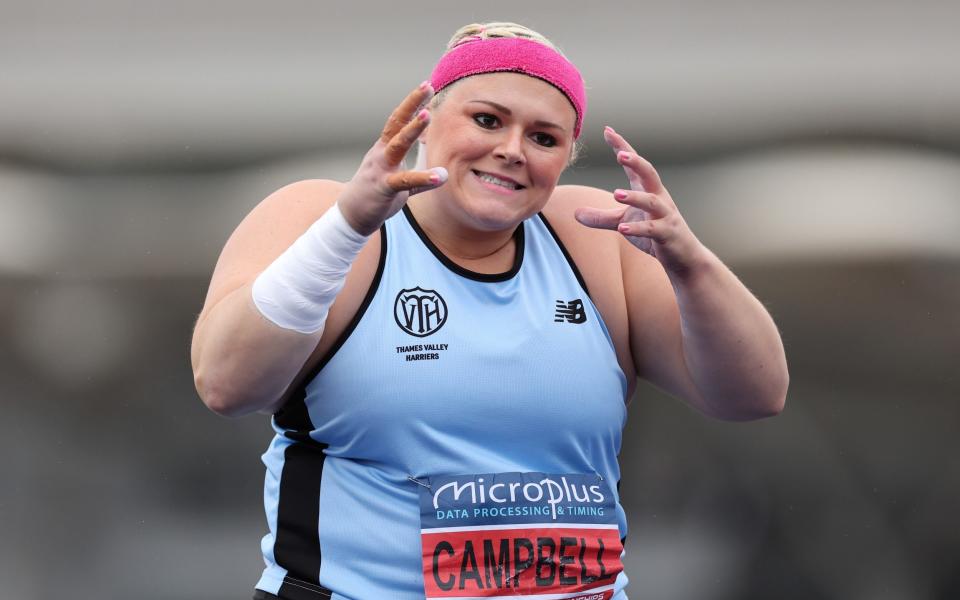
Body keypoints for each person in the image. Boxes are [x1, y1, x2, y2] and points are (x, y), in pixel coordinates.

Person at [190, 22, 788, 600]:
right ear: (424, 123)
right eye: (487, 120)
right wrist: (346, 227)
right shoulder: (326, 217)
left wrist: (691, 263)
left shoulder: (596, 238)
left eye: (544, 138)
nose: (511, 151)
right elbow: (227, 383)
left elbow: (754, 395)